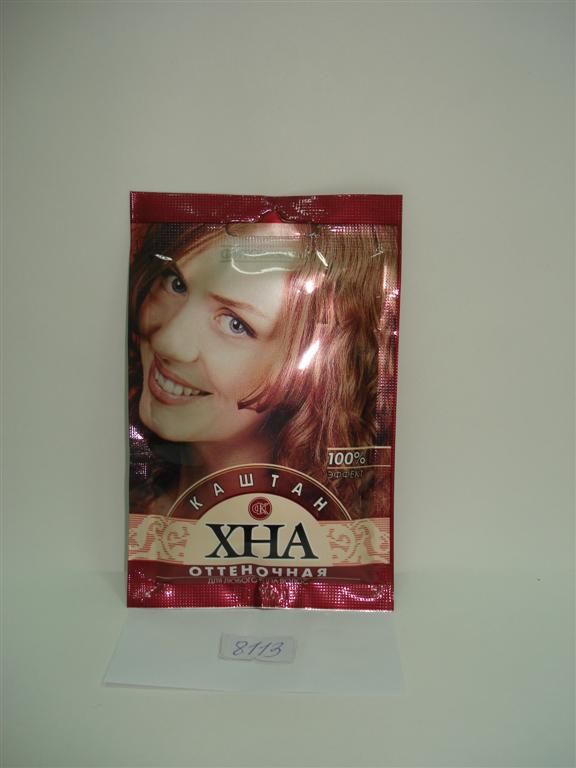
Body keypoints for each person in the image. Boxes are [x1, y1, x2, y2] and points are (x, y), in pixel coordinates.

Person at [128, 220, 398, 518]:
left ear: (317, 368)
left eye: (236, 324)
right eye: (176, 284)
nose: (167, 342)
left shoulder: (328, 530)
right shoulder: (140, 500)